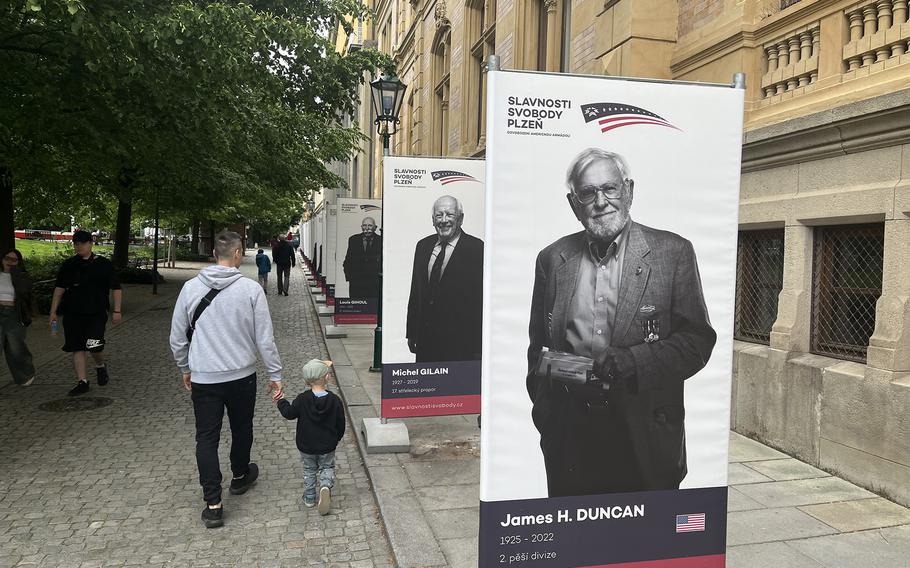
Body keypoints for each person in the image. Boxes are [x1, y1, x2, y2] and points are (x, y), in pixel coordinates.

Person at [526, 148, 716, 497]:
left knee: (645, 547)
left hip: (645, 437)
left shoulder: (672, 253)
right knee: (577, 546)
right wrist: (549, 417)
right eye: (588, 193)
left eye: (610, 189)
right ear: (573, 203)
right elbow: (538, 348)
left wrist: (634, 361)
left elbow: (697, 341)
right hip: (571, 437)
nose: (601, 201)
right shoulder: (553, 259)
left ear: (628, 191)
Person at [169, 230, 284, 528]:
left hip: (204, 378)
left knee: (206, 437)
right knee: (241, 427)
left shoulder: (190, 288)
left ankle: (213, 503)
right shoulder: (250, 290)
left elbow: (177, 337)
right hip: (241, 376)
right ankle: (240, 475)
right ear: (237, 253)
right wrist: (275, 374)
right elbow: (265, 339)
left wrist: (186, 368)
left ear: (213, 255)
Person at [406, 195, 483, 363]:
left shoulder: (477, 249)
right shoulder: (422, 246)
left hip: (462, 346)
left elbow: (480, 302)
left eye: (449, 215)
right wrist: (411, 332)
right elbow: (416, 292)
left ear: (460, 219)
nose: (444, 220)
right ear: (433, 219)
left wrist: (479, 346)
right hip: (426, 343)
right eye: (439, 215)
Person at [49, 230, 122, 396]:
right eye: (76, 243)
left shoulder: (103, 264)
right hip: (73, 313)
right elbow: (59, 289)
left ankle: (100, 365)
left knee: (94, 345)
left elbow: (116, 288)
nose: (79, 246)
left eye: (82, 243)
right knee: (77, 347)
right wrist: (53, 312)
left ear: (91, 243)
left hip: (96, 312)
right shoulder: (69, 265)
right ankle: (82, 381)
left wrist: (117, 310)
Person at [276, 359, 345, 516]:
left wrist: (281, 401)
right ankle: (325, 486)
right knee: (327, 467)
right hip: (327, 445)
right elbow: (340, 422)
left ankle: (309, 498)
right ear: (327, 377)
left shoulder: (302, 399)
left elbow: (290, 413)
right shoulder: (335, 401)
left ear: (306, 381)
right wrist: (337, 438)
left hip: (306, 445)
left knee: (309, 469)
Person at [0, 249, 36, 386]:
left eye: (14, 260)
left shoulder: (21, 276)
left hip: (14, 313)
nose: (9, 262)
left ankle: (25, 374)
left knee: (15, 347)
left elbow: (24, 291)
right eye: (7, 258)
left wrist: (15, 274)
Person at [342, 217, 382, 299]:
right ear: (361, 227)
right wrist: (350, 278)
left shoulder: (381, 241)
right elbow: (347, 261)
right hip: (356, 285)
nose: (367, 228)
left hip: (374, 285)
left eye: (370, 226)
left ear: (375, 227)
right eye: (364, 225)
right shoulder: (353, 240)